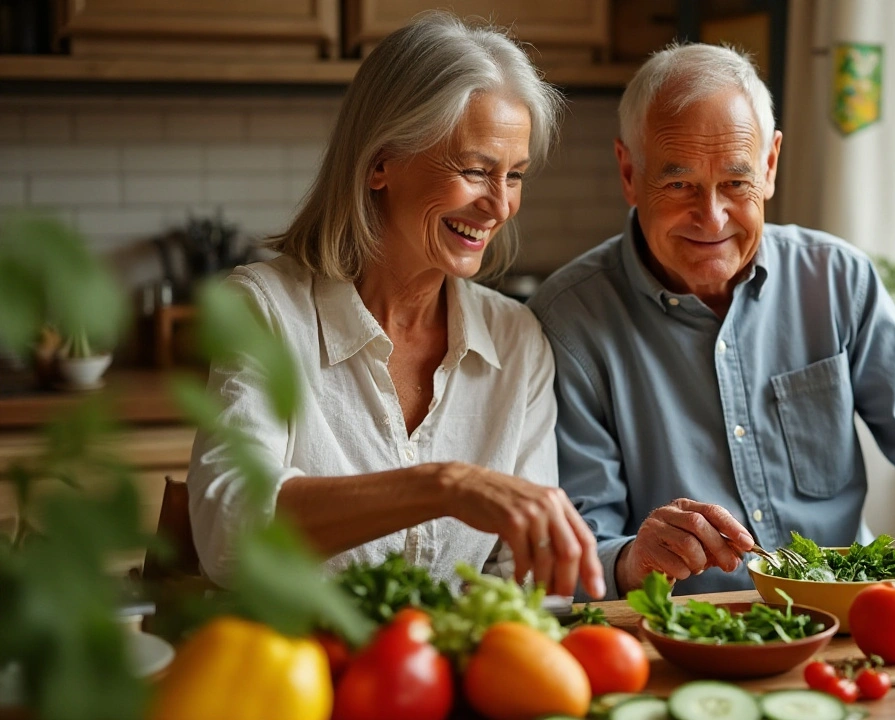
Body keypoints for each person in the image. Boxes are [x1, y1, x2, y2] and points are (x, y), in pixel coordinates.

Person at [527, 44, 895, 617]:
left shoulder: (836, 278)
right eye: (679, 185)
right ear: (628, 172)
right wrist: (633, 558)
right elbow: (581, 550)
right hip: (690, 634)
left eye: (736, 183)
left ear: (769, 165)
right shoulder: (569, 321)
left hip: (854, 622)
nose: (712, 218)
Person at [187, 12, 605, 600]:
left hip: (449, 682)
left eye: (514, 176)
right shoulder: (265, 310)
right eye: (475, 170)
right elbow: (227, 536)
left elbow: (528, 584)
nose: (499, 206)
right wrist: (442, 485)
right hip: (293, 676)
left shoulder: (515, 340)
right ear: (381, 161)